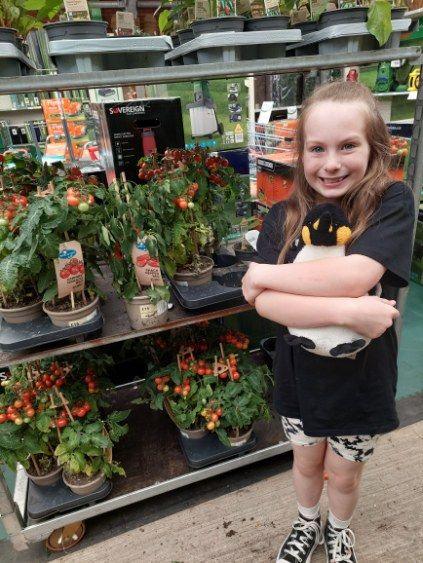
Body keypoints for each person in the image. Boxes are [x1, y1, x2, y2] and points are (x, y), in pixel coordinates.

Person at [242, 81, 415, 563]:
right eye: (317, 148)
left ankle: (338, 529)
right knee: (305, 461)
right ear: (301, 154)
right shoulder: (281, 216)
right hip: (301, 379)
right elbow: (268, 307)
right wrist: (348, 311)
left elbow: (357, 273)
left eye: (348, 146)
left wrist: (263, 276)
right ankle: (306, 522)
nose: (331, 163)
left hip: (362, 383)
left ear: (375, 148)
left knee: (344, 473)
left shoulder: (392, 203)